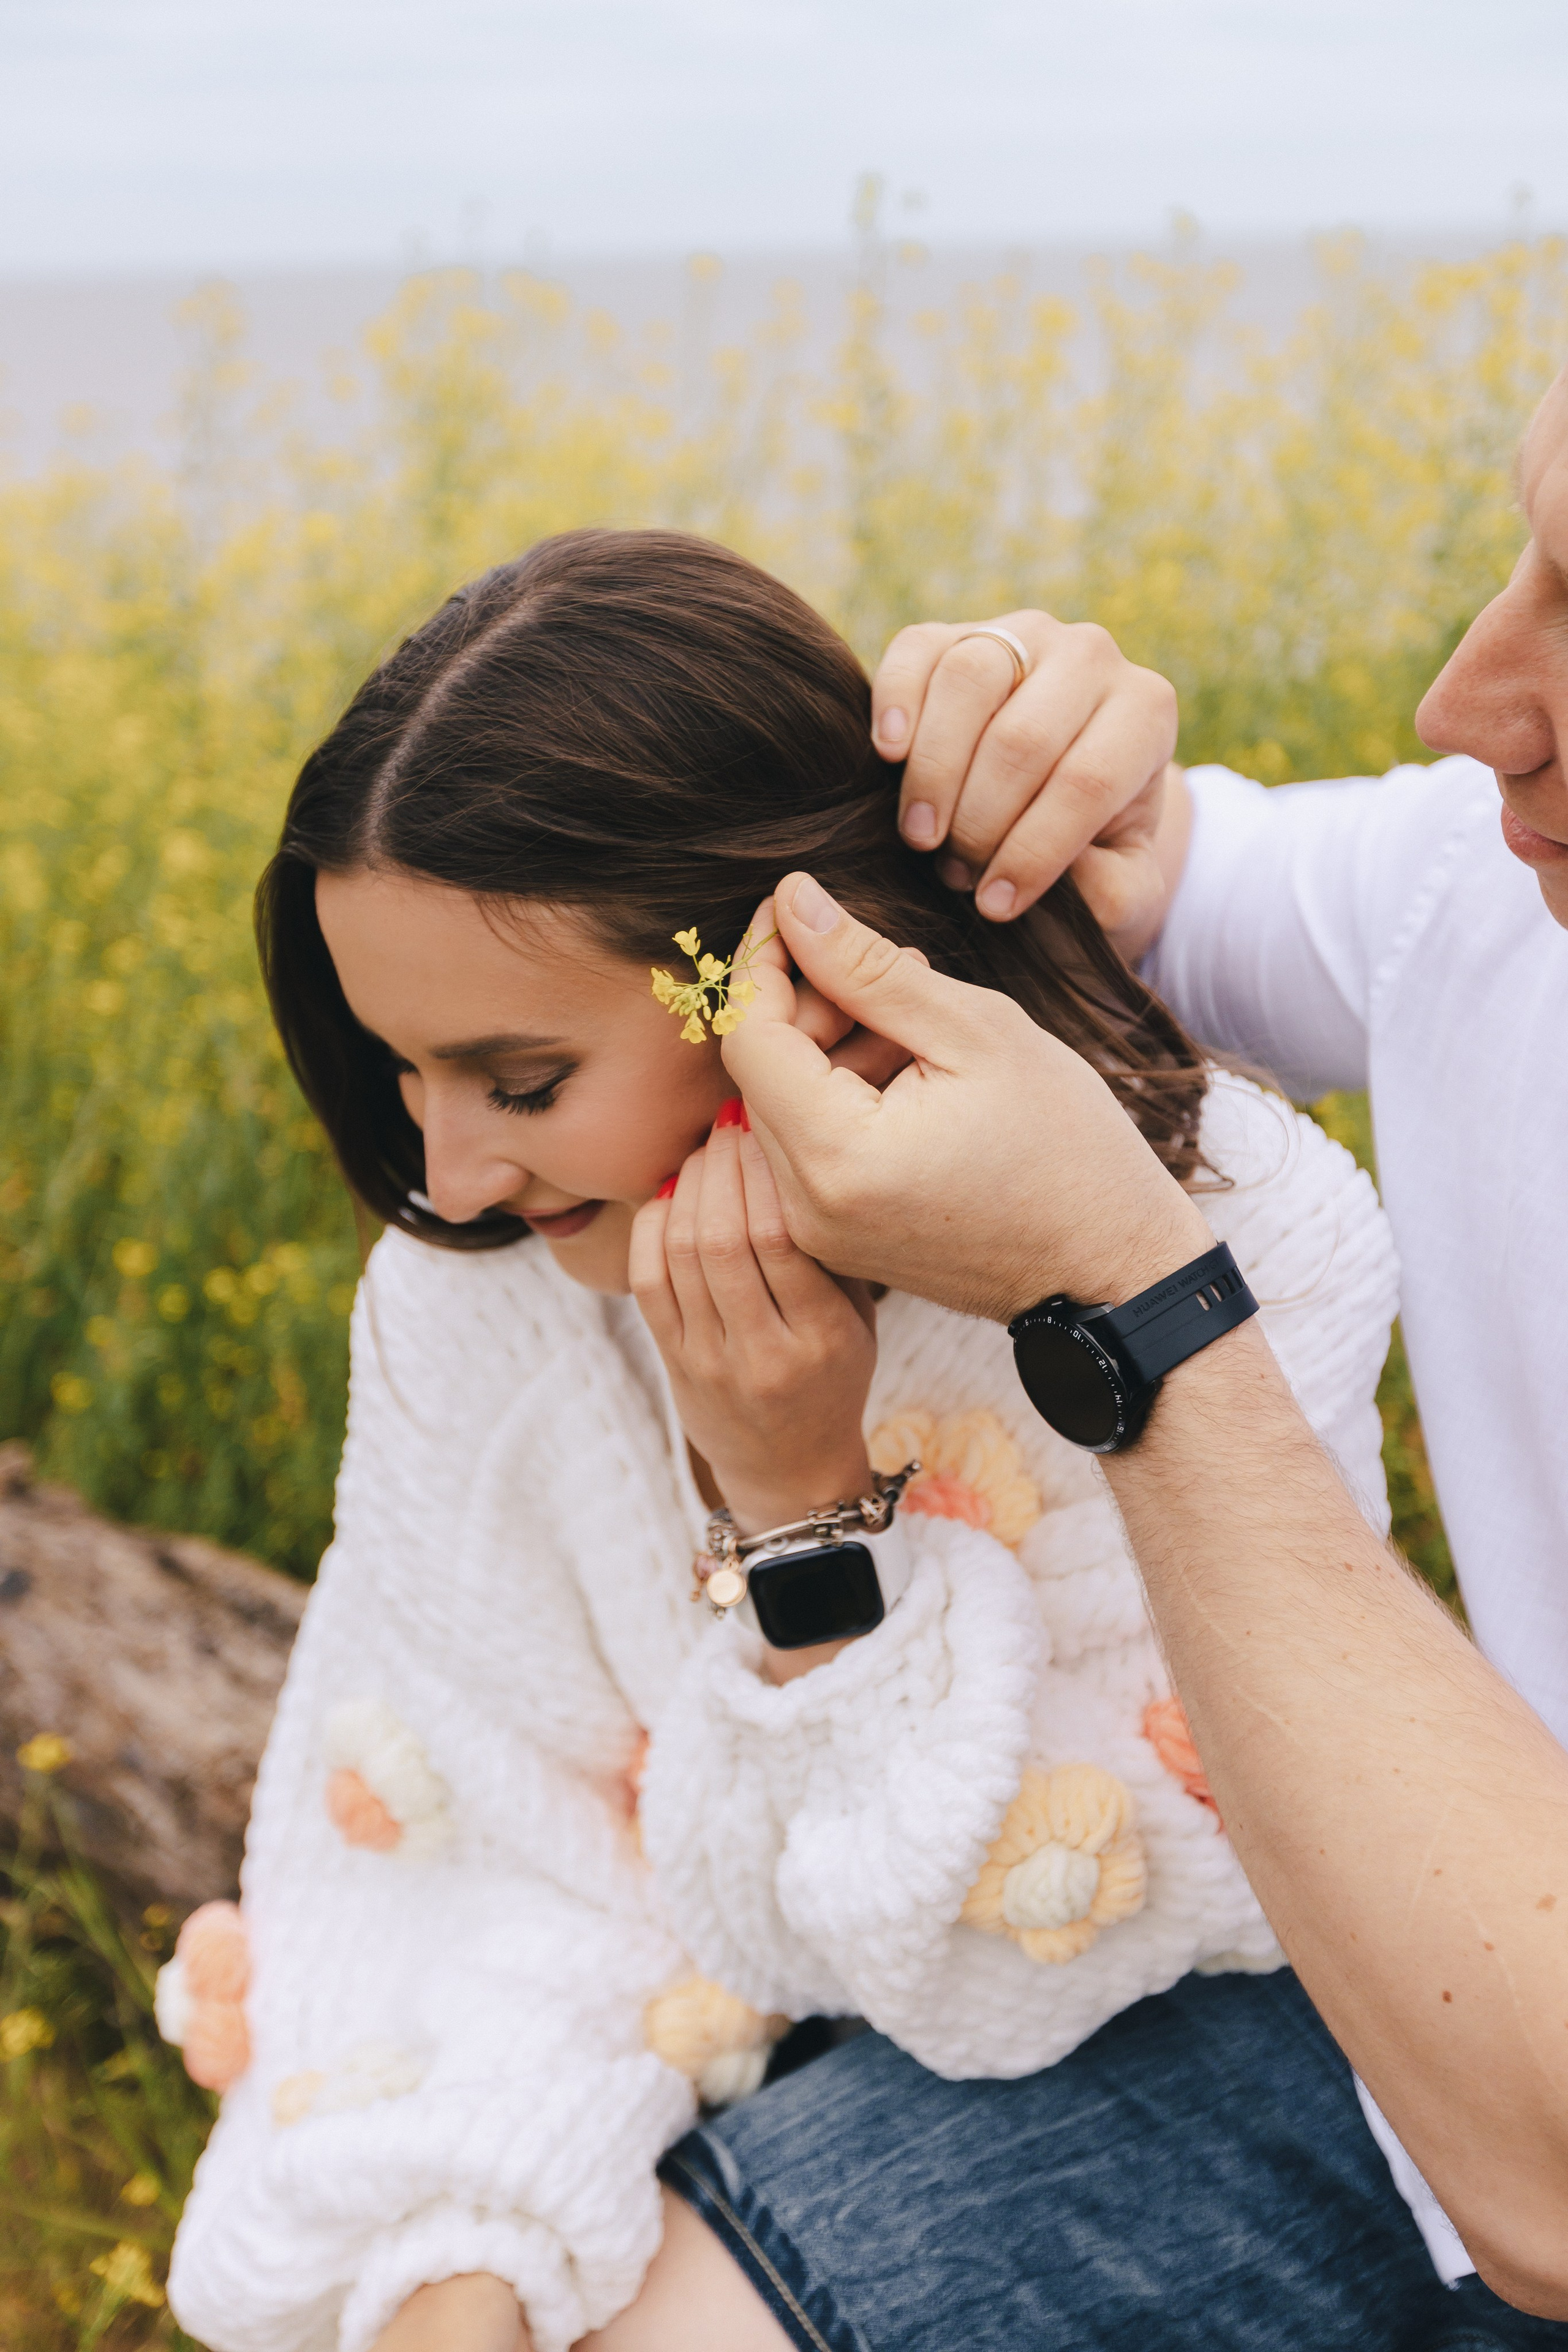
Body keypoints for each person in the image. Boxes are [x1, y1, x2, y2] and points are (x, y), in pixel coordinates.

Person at [162, 529, 1433, 2352]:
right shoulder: (479, 1290)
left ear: (783, 984)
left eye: (523, 1084)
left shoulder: (1223, 1233)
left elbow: (1025, 1943)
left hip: (1227, 2044)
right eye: (400, 1072)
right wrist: (460, 2265)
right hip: (786, 2066)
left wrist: (799, 1512)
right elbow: (468, 1852)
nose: (446, 1176)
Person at [714, 358, 1568, 2321]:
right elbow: (1165, 883)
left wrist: (1128, 1303)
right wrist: (1036, 759)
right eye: (1525, 549)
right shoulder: (1495, 890)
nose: (1466, 709)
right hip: (1399, 1993)